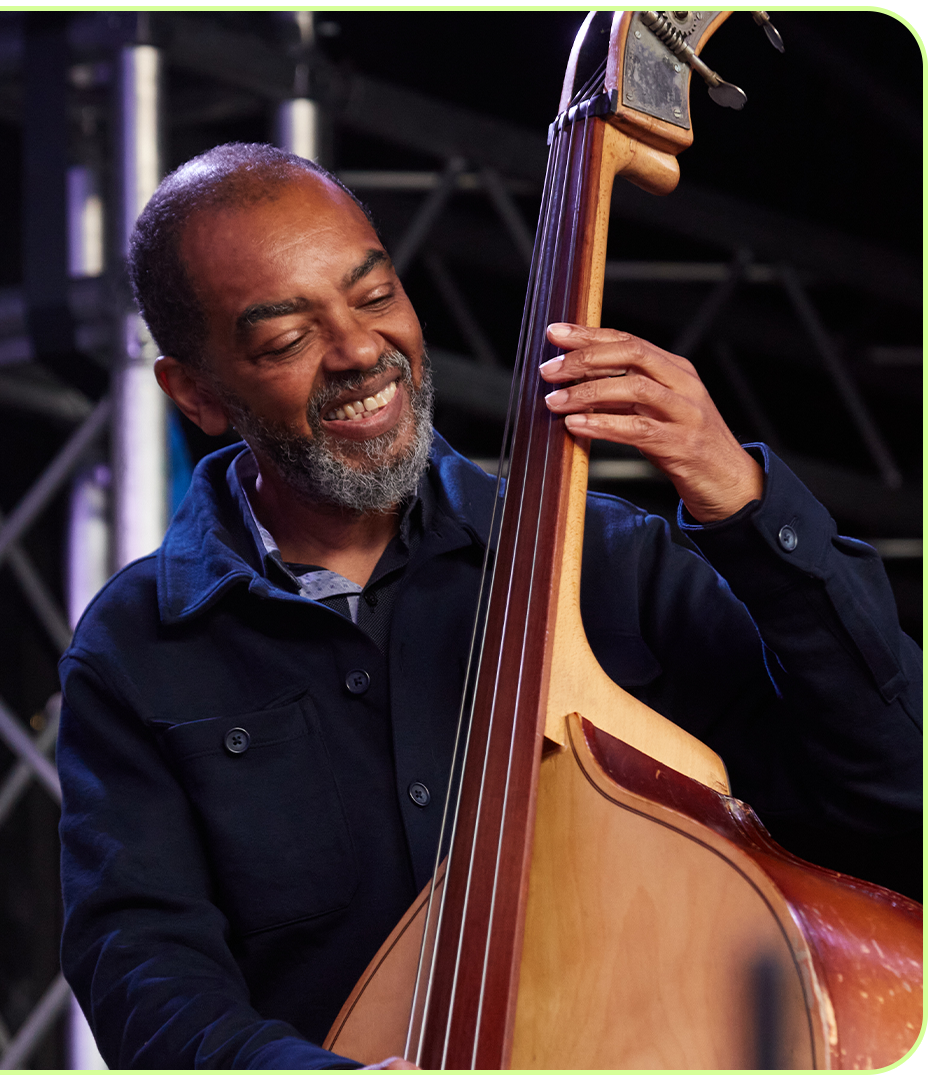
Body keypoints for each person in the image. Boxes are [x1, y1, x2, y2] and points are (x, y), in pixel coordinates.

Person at [56, 143, 921, 1069]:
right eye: (286, 341)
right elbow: (143, 971)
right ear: (196, 393)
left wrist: (745, 503)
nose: (359, 350)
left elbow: (895, 796)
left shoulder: (610, 561)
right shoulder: (134, 649)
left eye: (375, 295)